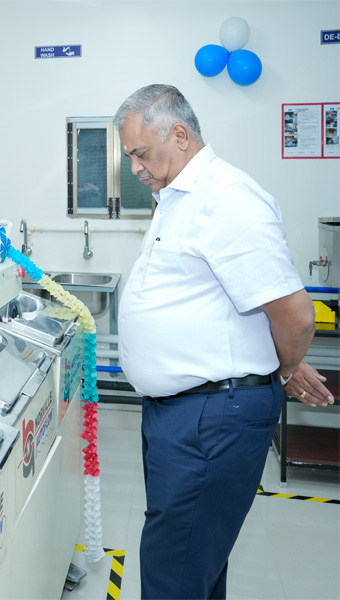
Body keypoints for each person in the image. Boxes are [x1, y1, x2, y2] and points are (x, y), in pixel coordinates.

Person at [114, 84, 334, 600]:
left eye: (140, 153)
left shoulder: (225, 198)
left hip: (210, 416)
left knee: (174, 570)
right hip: (185, 412)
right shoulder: (178, 198)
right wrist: (271, 360)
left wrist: (281, 368)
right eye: (130, 157)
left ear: (180, 134)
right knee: (193, 560)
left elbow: (296, 316)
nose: (135, 167)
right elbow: (230, 303)